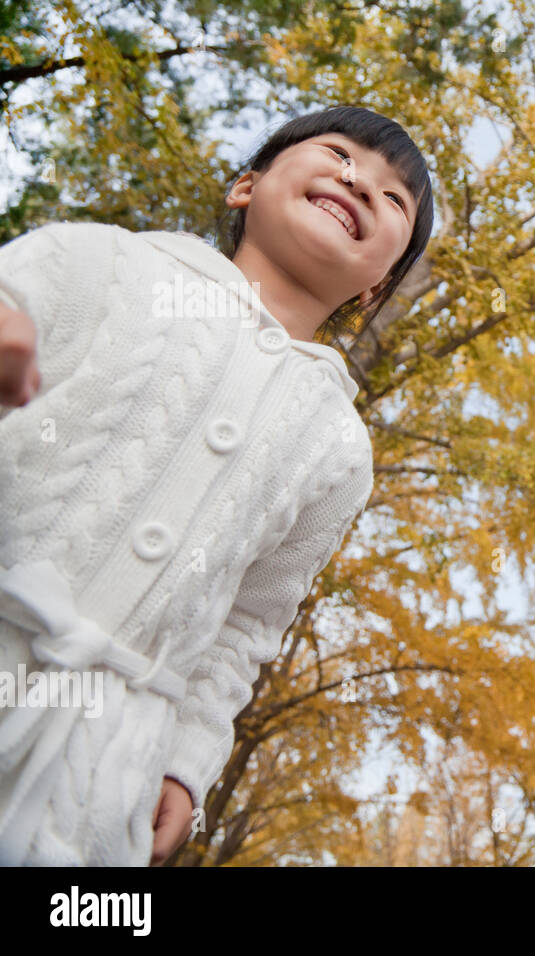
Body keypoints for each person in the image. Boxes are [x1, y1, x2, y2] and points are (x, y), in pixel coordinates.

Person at [0, 106, 434, 864]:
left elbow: (247, 625)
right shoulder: (99, 263)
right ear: (246, 185)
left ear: (378, 288)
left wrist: (189, 761)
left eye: (396, 198)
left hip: (102, 770)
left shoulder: (339, 448)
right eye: (337, 153)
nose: (358, 180)